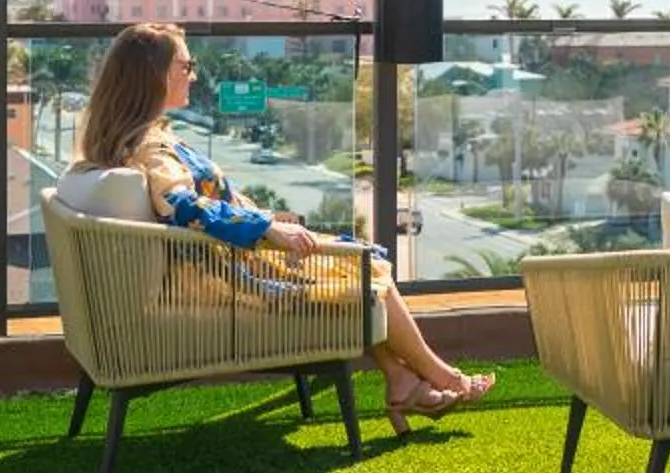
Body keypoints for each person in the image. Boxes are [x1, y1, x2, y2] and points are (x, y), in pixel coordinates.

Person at [57, 22, 495, 434]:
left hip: (227, 259)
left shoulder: (149, 137)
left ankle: (402, 379)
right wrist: (267, 229)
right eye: (186, 66)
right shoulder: (151, 147)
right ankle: (442, 375)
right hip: (232, 274)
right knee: (368, 273)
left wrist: (268, 225)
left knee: (359, 263)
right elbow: (183, 206)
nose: (193, 75)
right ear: (155, 77)